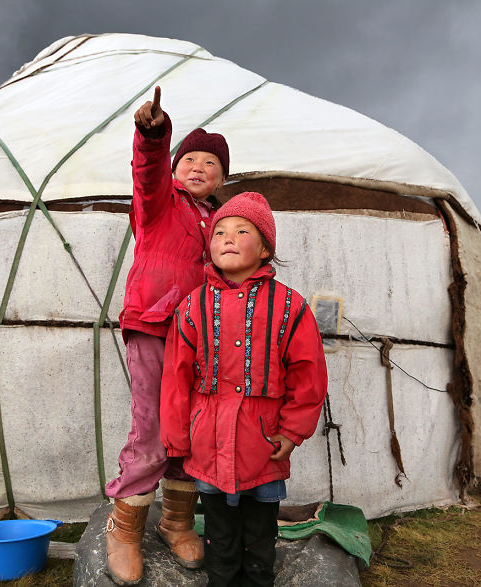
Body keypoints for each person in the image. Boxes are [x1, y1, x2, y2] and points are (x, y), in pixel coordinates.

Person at [160, 191, 329, 586]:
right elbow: (175, 377)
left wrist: (292, 431)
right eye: (219, 232)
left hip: (263, 442)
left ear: (266, 248)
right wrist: (177, 439)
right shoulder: (192, 307)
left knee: (259, 538)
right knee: (218, 536)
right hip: (208, 441)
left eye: (241, 231)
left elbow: (308, 374)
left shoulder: (290, 306)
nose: (228, 238)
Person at [104, 86, 231, 586]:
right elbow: (147, 171)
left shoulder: (222, 221)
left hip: (202, 338)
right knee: (154, 429)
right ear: (176, 167)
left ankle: (176, 522)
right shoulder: (159, 202)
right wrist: (153, 136)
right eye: (191, 159)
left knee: (192, 431)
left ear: (223, 177)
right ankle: (124, 528)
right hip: (154, 324)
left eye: (211, 164)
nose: (199, 168)